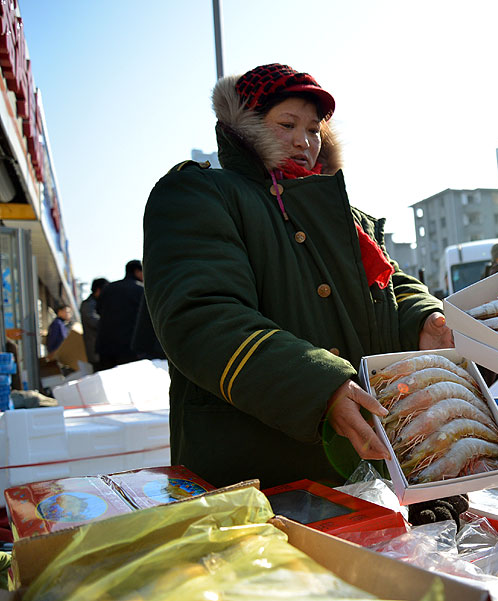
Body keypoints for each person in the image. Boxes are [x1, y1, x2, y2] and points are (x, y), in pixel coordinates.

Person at [143, 64, 451, 489]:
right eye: (287, 124)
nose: (304, 142)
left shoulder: (347, 220)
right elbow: (201, 315)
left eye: (314, 130)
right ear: (246, 127)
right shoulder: (202, 194)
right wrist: (319, 386)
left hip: (362, 474)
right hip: (253, 474)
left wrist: (424, 319)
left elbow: (391, 285)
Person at [95, 260, 144, 370]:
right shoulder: (140, 289)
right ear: (137, 272)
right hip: (128, 348)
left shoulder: (107, 289)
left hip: (105, 347)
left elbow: (98, 311)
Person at [79, 278, 109, 371]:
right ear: (98, 290)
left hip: (101, 349)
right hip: (96, 350)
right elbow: (94, 321)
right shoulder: (88, 304)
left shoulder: (96, 303)